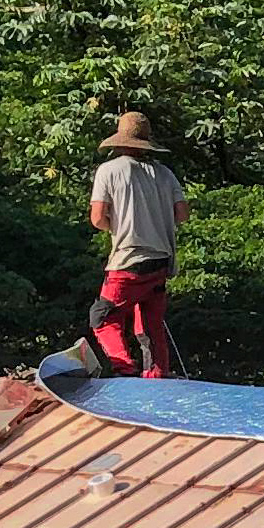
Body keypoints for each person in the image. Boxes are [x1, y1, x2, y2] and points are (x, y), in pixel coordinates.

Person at [85, 111, 188, 378]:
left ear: (120, 141)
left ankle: (124, 370)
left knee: (104, 317)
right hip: (160, 261)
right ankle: (157, 375)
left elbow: (97, 218)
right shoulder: (165, 174)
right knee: (151, 323)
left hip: (129, 259)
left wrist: (117, 226)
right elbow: (182, 215)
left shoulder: (109, 171)